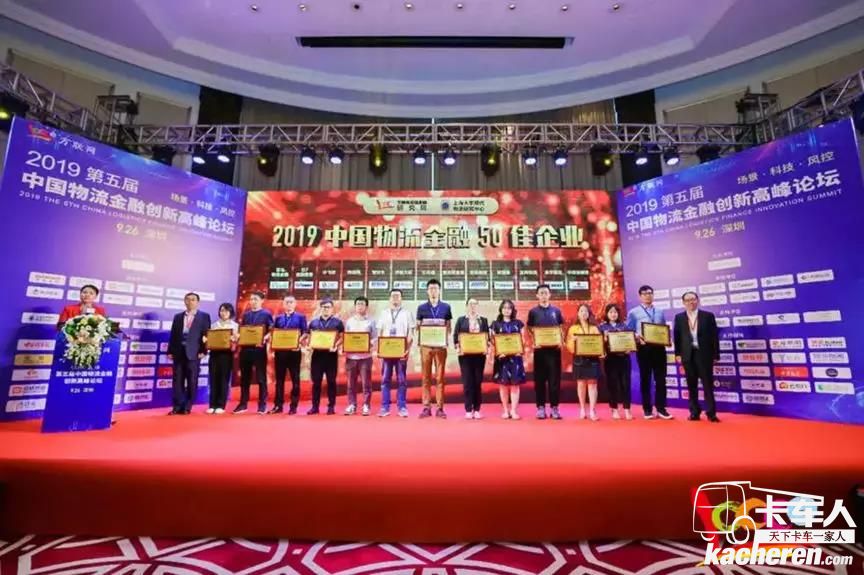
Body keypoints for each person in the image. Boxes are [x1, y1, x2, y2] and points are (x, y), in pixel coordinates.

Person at [626, 285, 673, 420]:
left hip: (659, 349)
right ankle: (647, 409)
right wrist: (637, 336)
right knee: (645, 379)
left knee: (661, 379)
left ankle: (661, 409)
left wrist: (666, 339)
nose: (648, 295)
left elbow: (663, 329)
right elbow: (629, 330)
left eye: (650, 293)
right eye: (645, 293)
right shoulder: (633, 312)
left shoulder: (660, 311)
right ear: (640, 296)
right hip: (644, 349)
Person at [674, 291, 721, 423]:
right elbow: (677, 337)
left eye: (693, 299)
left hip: (704, 354)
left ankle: (711, 413)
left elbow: (714, 337)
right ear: (683, 303)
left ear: (697, 300)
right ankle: (694, 412)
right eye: (687, 300)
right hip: (687, 355)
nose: (691, 302)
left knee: (707, 385)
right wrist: (678, 354)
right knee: (691, 385)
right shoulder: (679, 317)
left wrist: (716, 354)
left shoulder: (708, 316)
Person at [167, 292, 212, 415]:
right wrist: (170, 350)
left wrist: (204, 351)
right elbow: (173, 335)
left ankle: (187, 406)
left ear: (197, 302)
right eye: (187, 299)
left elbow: (206, 335)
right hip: (178, 352)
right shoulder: (178, 317)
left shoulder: (204, 316)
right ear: (184, 301)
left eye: (193, 299)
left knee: (192, 380)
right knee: (177, 380)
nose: (190, 302)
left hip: (194, 353)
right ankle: (177, 406)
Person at [526, 284, 565, 420]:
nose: (543, 295)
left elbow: (561, 328)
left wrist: (561, 341)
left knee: (554, 380)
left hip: (554, 351)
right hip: (540, 351)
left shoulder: (556, 311)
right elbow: (529, 329)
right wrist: (534, 341)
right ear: (537, 295)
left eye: (546, 293)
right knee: (540, 380)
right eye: (541, 293)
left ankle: (554, 408)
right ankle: (541, 407)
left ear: (550, 295)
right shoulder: (533, 312)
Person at [416, 279, 453, 419]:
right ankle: (426, 407)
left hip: (440, 347)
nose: (433, 291)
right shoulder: (421, 308)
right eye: (431, 288)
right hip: (426, 346)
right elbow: (418, 327)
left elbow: (449, 327)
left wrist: (443, 338)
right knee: (425, 377)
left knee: (440, 378)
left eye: (435, 288)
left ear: (439, 290)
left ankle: (440, 408)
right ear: (427, 291)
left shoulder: (446, 307)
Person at [377, 288, 415, 418]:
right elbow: (380, 332)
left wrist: (407, 349)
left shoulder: (407, 313)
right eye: (393, 296)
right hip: (386, 352)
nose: (395, 298)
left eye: (398, 296)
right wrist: (380, 349)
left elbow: (410, 333)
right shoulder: (384, 313)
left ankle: (402, 407)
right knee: (385, 380)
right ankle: (384, 407)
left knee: (402, 380)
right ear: (389, 298)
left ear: (401, 299)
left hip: (401, 352)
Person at [235, 291, 274, 414]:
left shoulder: (266, 314)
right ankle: (243, 404)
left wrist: (266, 337)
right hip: (246, 349)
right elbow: (242, 330)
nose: (253, 301)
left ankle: (262, 405)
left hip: (259, 350)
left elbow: (271, 330)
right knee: (245, 378)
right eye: (251, 299)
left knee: (261, 378)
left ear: (262, 301)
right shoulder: (246, 315)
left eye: (255, 299)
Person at [271, 295, 308, 415]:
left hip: (294, 352)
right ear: (283, 304)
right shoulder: (278, 318)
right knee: (279, 380)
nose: (289, 304)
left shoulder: (301, 317)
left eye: (291, 302)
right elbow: (274, 333)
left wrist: (298, 341)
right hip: (280, 353)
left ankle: (293, 406)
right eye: (287, 302)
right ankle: (278, 405)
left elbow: (305, 333)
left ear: (295, 304)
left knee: (295, 379)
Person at [453, 297, 490, 419]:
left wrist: (486, 346)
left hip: (479, 356)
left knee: (477, 382)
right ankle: (468, 409)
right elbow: (456, 336)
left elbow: (487, 338)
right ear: (466, 306)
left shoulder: (483, 320)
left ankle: (477, 409)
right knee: (467, 382)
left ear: (477, 306)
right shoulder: (461, 320)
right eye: (470, 304)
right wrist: (458, 347)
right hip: (465, 357)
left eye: (475, 304)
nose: (472, 306)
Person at [307, 297, 344, 415]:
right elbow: (309, 337)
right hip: (317, 356)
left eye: (328, 307)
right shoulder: (313, 322)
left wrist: (336, 345)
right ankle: (315, 407)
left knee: (331, 381)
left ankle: (331, 406)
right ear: (320, 308)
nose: (326, 309)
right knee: (316, 382)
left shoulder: (338, 322)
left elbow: (342, 337)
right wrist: (309, 345)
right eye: (323, 307)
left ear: (332, 309)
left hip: (331, 355)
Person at [491, 299, 526, 420]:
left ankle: (514, 411)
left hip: (515, 358)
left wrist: (519, 349)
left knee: (515, 385)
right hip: (502, 359)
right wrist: (498, 351)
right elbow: (492, 341)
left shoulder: (519, 323)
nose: (507, 310)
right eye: (504, 308)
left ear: (512, 310)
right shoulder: (495, 324)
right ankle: (505, 410)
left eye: (509, 308)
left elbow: (523, 340)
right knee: (503, 385)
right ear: (501, 309)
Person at [566, 303, 602, 421]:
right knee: (581, 384)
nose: (583, 313)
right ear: (578, 313)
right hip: (579, 359)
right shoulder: (573, 328)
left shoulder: (594, 328)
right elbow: (569, 346)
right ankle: (582, 408)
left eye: (586, 311)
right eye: (581, 311)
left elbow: (599, 344)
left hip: (592, 359)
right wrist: (574, 341)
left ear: (589, 313)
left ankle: (592, 410)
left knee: (593, 384)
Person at [599, 303, 633, 420]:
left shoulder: (624, 326)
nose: (613, 314)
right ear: (607, 314)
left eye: (615, 312)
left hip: (624, 359)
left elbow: (630, 341)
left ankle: (627, 409)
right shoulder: (602, 327)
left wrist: (630, 348)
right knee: (612, 385)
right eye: (611, 312)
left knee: (626, 384)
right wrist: (604, 339)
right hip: (610, 360)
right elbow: (598, 344)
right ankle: (614, 409)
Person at [344, 296, 377, 416]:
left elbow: (375, 337)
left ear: (366, 307)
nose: (360, 306)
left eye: (362, 304)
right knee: (350, 384)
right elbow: (346, 337)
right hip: (351, 357)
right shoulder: (349, 321)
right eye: (358, 304)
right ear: (355, 306)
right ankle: (352, 405)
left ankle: (366, 405)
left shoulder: (371, 321)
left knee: (366, 384)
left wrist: (368, 343)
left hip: (365, 358)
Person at [207, 302, 239, 414]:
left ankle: (221, 405)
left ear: (231, 312)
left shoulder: (235, 326)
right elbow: (209, 339)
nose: (223, 313)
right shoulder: (214, 325)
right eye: (221, 310)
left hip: (226, 355)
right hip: (214, 354)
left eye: (226, 310)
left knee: (223, 380)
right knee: (213, 379)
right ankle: (212, 405)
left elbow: (236, 342)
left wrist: (234, 340)